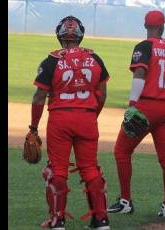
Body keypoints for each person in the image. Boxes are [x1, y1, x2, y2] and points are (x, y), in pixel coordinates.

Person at [30, 15, 111, 229]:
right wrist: (92, 116)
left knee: (57, 170)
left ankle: (58, 221)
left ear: (59, 35)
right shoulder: (95, 59)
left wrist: (33, 127)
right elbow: (102, 94)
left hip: (60, 118)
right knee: (91, 169)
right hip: (87, 117)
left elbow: (39, 96)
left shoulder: (52, 60)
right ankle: (101, 220)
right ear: (80, 35)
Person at [107, 10, 165, 219]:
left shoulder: (144, 46)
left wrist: (132, 105)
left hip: (147, 106)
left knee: (121, 151)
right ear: (162, 27)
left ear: (146, 26)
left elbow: (140, 73)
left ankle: (125, 201)